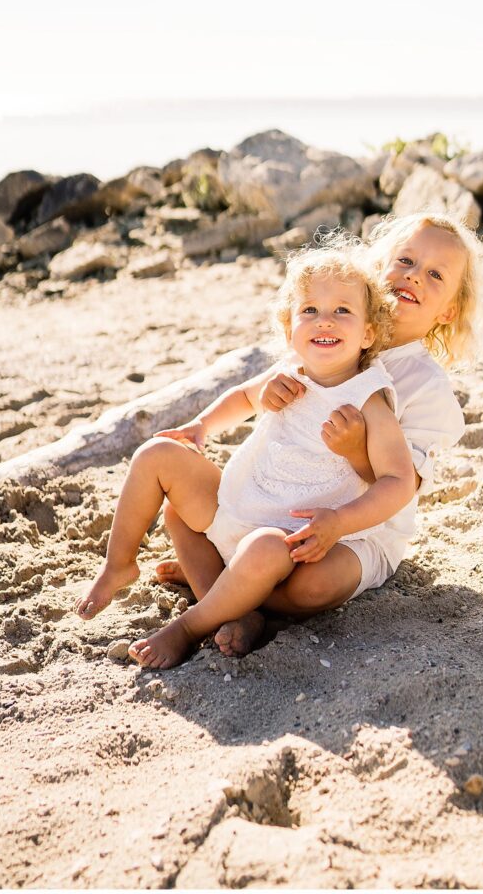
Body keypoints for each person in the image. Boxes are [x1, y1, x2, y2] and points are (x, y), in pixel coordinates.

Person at [155, 210, 483, 656]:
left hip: (356, 529)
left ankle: (224, 588)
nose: (414, 277)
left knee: (313, 586)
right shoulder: (327, 332)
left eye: (435, 274)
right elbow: (259, 400)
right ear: (378, 267)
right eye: (405, 261)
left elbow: (404, 486)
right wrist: (269, 395)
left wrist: (355, 452)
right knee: (180, 514)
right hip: (274, 507)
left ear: (448, 310)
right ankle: (235, 598)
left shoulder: (425, 385)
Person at [75, 244, 417, 670]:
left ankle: (191, 625)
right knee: (157, 455)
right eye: (309, 310)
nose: (324, 320)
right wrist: (200, 426)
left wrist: (340, 522)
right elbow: (242, 397)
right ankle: (119, 565)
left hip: (294, 542)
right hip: (236, 510)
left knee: (261, 554)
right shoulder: (289, 373)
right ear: (290, 326)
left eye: (342, 311)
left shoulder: (368, 399)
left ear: (368, 333)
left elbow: (399, 480)